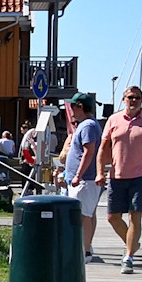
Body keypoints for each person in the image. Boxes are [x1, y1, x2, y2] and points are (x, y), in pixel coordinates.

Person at [98, 85, 142, 274]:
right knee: (113, 217)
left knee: (134, 215)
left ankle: (128, 257)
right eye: (130, 97)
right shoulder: (113, 120)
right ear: (123, 99)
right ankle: (133, 243)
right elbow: (103, 149)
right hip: (117, 174)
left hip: (141, 175)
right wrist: (100, 172)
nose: (134, 100)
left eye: (137, 97)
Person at [58, 93, 103, 262]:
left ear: (80, 107)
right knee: (86, 214)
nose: (70, 111)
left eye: (72, 107)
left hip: (85, 180)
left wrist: (78, 174)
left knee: (83, 215)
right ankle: (85, 247)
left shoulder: (87, 127)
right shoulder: (87, 125)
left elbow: (89, 151)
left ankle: (84, 252)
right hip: (82, 180)